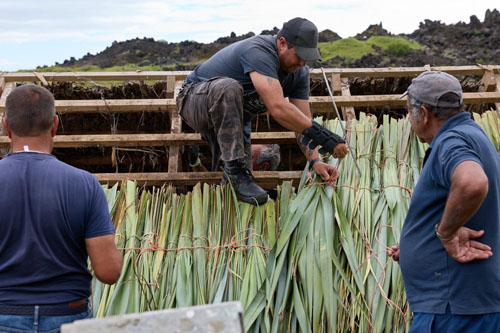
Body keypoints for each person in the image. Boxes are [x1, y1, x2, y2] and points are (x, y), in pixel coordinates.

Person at [176, 17, 348, 205]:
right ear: (282, 43)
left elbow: (301, 122)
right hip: (194, 100)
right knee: (228, 88)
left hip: (234, 118)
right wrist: (328, 139)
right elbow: (278, 108)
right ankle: (235, 170)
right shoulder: (260, 51)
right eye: (299, 55)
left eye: (307, 57)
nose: (303, 63)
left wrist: (315, 161)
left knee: (242, 186)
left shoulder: (299, 73)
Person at [0, 85, 123, 332]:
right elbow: (109, 272)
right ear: (55, 124)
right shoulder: (84, 184)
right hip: (67, 315)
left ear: (6, 127)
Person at [389, 71, 500, 332]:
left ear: (423, 113)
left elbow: (472, 183)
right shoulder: (475, 135)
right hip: (466, 305)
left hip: (453, 312)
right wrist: (419, 245)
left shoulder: (451, 141)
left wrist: (446, 233)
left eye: (409, 109)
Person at [188, 144, 281, 172]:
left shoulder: (273, 197)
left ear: (263, 167)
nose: (240, 158)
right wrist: (195, 162)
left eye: (248, 157)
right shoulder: (236, 178)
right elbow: (211, 186)